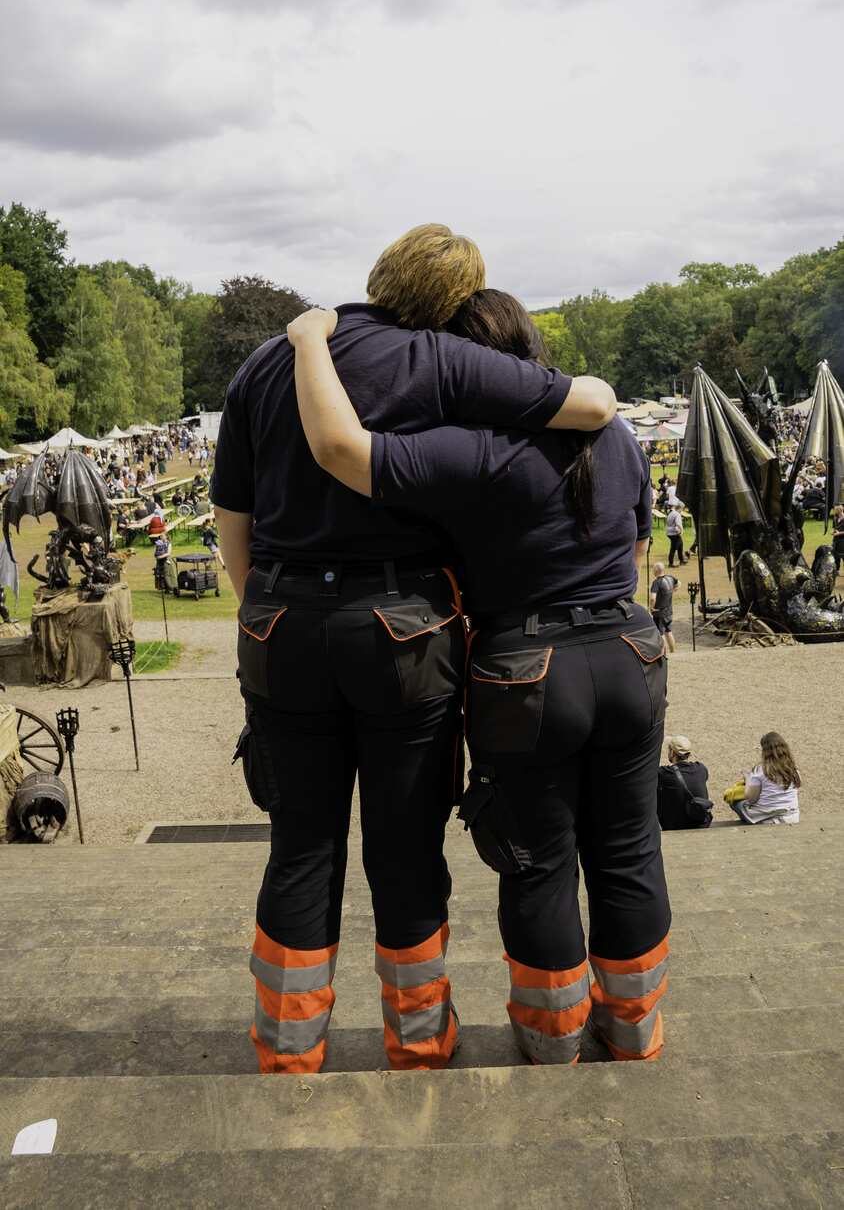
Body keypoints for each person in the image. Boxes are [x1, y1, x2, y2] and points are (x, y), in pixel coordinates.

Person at [212, 227, 617, 1077]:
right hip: (403, 630)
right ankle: (420, 1041)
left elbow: (233, 521)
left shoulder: (265, 363)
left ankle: (288, 1050)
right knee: (404, 847)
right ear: (452, 305)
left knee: (300, 846)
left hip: (280, 618)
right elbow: (590, 405)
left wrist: (264, 610)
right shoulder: (440, 359)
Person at [286, 289, 670, 1066]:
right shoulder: (618, 435)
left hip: (529, 667)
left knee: (539, 863)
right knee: (631, 849)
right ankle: (634, 1030)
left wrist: (310, 342)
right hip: (630, 650)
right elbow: (635, 551)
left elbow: (342, 450)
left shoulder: (477, 449)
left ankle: (552, 1038)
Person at [726, 732, 801, 825]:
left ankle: (753, 820)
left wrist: (748, 779)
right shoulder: (794, 770)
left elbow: (751, 799)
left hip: (767, 817)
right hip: (792, 816)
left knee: (735, 801)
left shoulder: (760, 770)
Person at [657, 735, 712, 830]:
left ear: (672, 752)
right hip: (700, 823)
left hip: (674, 826)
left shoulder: (664, 773)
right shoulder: (701, 769)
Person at [650, 561, 678, 651]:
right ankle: (673, 651)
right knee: (668, 631)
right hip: (669, 611)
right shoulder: (670, 578)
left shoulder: (656, 582)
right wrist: (673, 590)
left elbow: (652, 598)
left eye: (653, 569)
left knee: (660, 633)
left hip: (659, 612)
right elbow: (679, 583)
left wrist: (651, 608)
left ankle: (663, 653)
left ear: (656, 571)